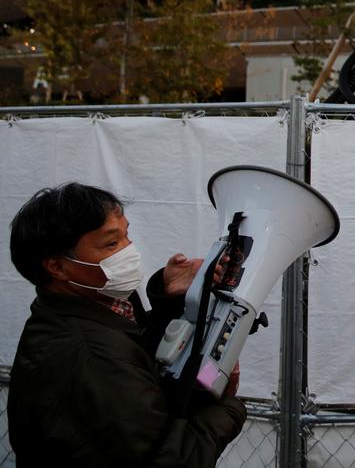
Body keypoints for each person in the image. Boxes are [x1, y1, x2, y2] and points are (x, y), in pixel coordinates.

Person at [7, 182, 246, 467]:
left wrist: (167, 298)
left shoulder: (92, 308)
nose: (128, 250)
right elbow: (175, 457)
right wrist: (228, 405)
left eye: (126, 235)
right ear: (57, 267)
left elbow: (132, 352)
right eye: (111, 243)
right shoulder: (90, 356)